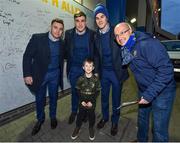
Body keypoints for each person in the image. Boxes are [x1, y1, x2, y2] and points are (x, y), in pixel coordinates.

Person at [114, 22, 176, 142]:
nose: (120, 37)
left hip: (163, 92)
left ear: (131, 31)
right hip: (144, 89)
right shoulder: (127, 49)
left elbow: (167, 71)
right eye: (116, 35)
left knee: (159, 129)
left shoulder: (147, 44)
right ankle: (141, 140)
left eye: (123, 32)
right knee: (142, 119)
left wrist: (149, 94)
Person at [23, 18, 65, 136]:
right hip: (40, 75)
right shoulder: (38, 38)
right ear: (50, 27)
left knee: (53, 97)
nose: (57, 31)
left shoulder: (62, 43)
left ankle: (52, 117)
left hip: (55, 75)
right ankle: (40, 119)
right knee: (40, 99)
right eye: (55, 28)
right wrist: (27, 74)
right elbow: (27, 56)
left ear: (62, 31)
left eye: (60, 29)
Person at [93, 4, 128, 136]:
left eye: (102, 16)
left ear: (107, 17)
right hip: (104, 73)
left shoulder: (116, 31)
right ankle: (105, 117)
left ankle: (115, 121)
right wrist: (96, 70)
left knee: (116, 99)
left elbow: (127, 48)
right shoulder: (95, 36)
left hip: (117, 72)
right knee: (104, 97)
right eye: (97, 18)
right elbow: (96, 55)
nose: (100, 20)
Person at [64, 11, 95, 124]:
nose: (80, 23)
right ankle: (74, 112)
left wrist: (95, 71)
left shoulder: (92, 34)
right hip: (74, 69)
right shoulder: (68, 34)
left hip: (87, 70)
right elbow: (65, 51)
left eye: (82, 21)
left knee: (87, 93)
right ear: (74, 22)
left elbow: (95, 53)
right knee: (74, 92)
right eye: (77, 21)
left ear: (85, 21)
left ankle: (85, 113)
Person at [71, 58, 100, 141]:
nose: (88, 68)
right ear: (83, 67)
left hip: (92, 102)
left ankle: (91, 128)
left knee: (91, 115)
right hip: (82, 102)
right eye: (86, 66)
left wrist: (92, 101)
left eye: (90, 66)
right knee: (80, 115)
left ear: (93, 68)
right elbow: (77, 90)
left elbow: (97, 91)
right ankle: (77, 127)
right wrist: (81, 101)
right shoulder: (80, 79)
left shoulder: (96, 79)